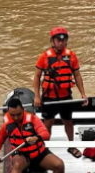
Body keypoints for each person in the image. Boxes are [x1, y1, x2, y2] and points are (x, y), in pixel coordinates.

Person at [34, 27, 88, 158]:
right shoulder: (44, 56)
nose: (61, 43)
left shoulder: (71, 55)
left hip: (65, 96)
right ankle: (44, 149)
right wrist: (36, 96)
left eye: (63, 40)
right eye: (58, 40)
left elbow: (77, 75)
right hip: (49, 96)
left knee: (68, 121)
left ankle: (72, 146)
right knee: (48, 123)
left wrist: (83, 94)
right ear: (52, 41)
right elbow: (37, 77)